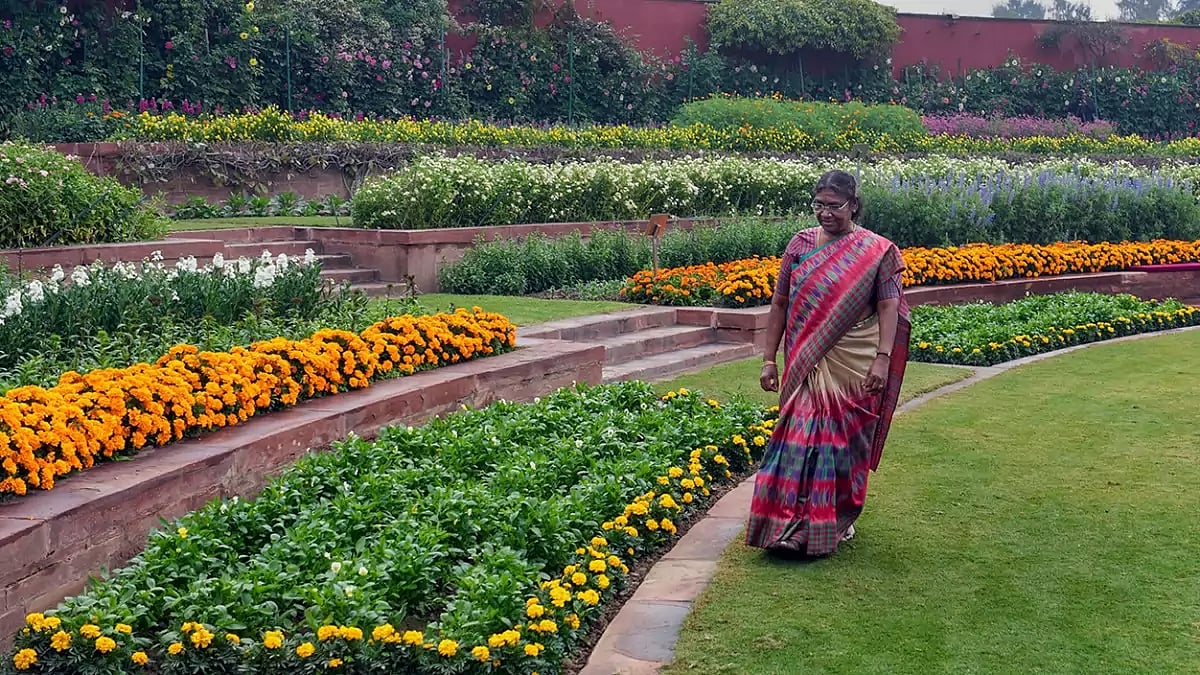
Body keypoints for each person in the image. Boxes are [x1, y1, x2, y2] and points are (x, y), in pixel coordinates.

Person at [745, 169, 910, 557]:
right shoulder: (800, 245)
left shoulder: (878, 251)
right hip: (804, 361)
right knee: (796, 440)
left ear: (854, 204)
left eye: (834, 206)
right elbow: (780, 303)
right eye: (819, 205)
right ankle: (785, 525)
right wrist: (769, 359)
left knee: (840, 444)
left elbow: (889, 306)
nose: (825, 213)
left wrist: (882, 359)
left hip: (854, 364)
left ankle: (832, 521)